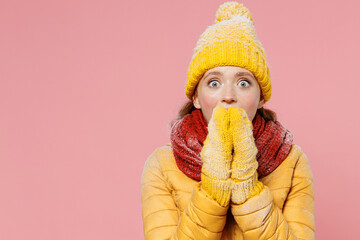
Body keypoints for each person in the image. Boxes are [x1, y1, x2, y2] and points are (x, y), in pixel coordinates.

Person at [141, 1, 315, 239]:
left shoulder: (292, 161)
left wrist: (247, 187)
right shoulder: (161, 165)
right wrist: (213, 189)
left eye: (244, 83)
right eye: (214, 83)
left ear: (261, 97)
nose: (229, 96)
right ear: (197, 97)